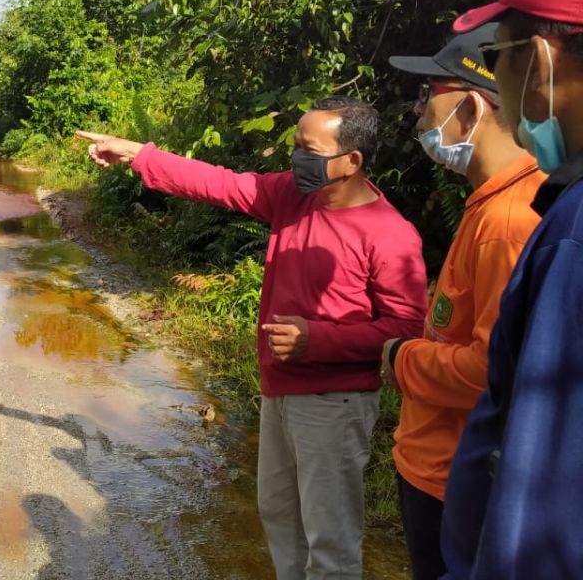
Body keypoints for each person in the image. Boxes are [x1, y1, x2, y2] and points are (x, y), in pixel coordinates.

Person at [77, 95, 427, 580]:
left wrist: (318, 341)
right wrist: (139, 153)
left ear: (352, 161)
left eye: (309, 148)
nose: (297, 158)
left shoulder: (390, 235)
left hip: (335, 402)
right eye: (297, 146)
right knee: (280, 516)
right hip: (279, 391)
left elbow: (408, 329)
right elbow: (222, 184)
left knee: (330, 536)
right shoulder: (293, 196)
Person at [440, 0, 583, 579]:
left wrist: (398, 356)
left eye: (499, 57)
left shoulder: (568, 237)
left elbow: (539, 474)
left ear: (544, 57)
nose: (501, 85)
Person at [384, 27, 544, 579]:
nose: (420, 113)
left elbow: (489, 371)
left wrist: (400, 357)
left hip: (455, 479)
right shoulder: (489, 203)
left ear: (472, 107)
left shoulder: (507, 222)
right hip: (436, 466)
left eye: (429, 96)